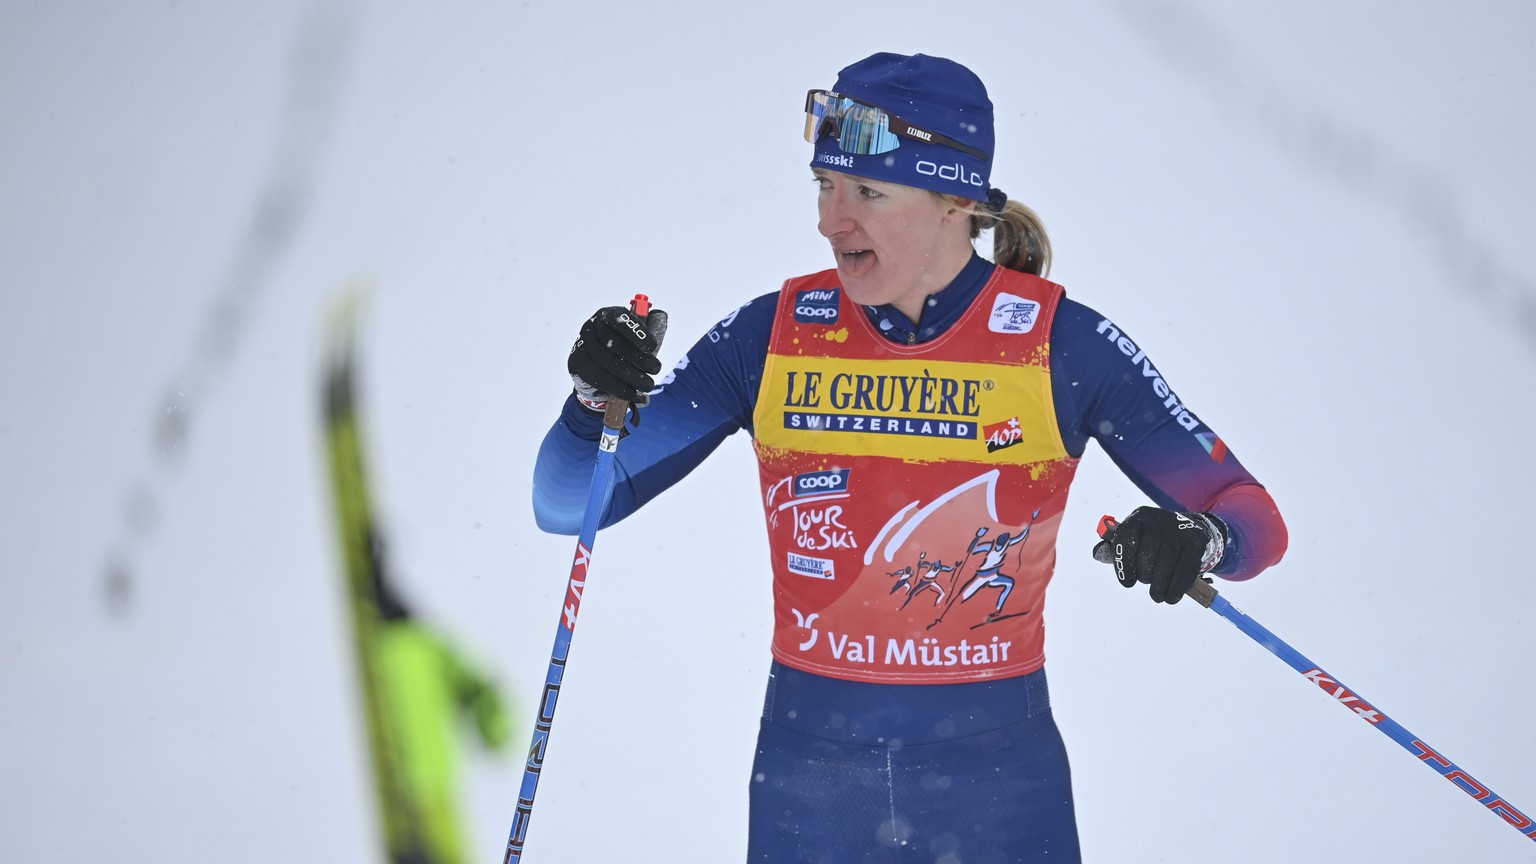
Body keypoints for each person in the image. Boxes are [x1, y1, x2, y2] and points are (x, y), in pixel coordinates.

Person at [533, 52, 1287, 863]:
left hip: (998, 784)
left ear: (956, 200)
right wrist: (590, 408)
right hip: (809, 784)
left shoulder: (1058, 344)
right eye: (824, 185)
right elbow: (568, 504)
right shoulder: (772, 338)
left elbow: (1253, 518)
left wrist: (1198, 540)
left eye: (868, 192)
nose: (832, 220)